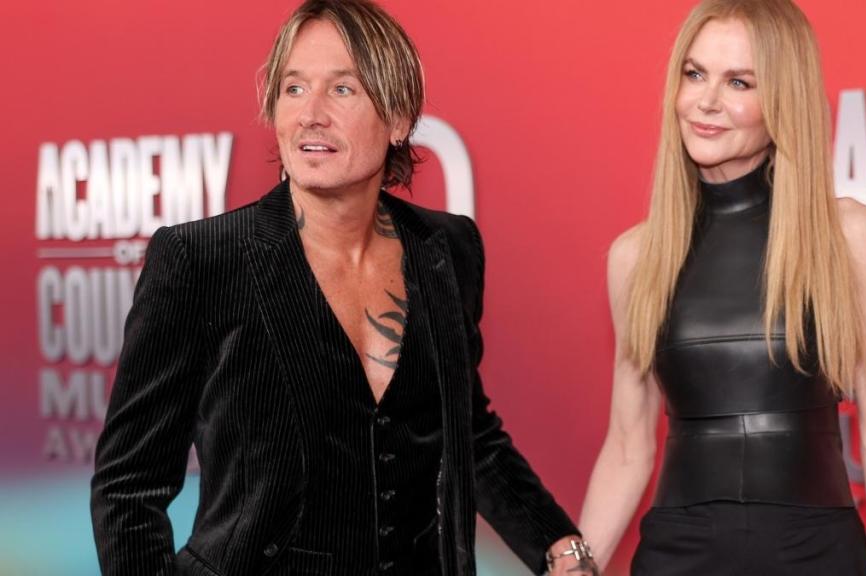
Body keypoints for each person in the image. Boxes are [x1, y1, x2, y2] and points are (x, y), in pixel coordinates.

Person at [90, 1, 597, 574]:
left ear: (399, 118)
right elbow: (128, 486)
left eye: (342, 89)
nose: (310, 114)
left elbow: (467, 432)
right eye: (293, 88)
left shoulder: (448, 249)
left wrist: (559, 544)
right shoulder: (201, 261)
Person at [577, 0, 866, 574]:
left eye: (739, 82)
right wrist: (576, 565)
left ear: (782, 100)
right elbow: (629, 447)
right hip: (677, 554)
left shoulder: (846, 235)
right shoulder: (636, 257)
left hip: (816, 554)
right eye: (694, 73)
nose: (706, 101)